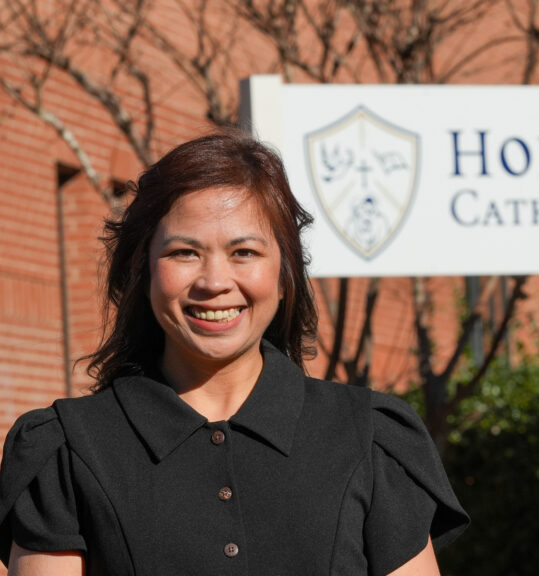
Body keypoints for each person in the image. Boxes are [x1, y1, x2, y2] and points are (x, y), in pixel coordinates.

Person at [0, 132, 468, 576]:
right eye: (184, 253)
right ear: (142, 271)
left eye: (244, 252)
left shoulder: (369, 437)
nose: (214, 282)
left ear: (285, 276)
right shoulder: (65, 448)